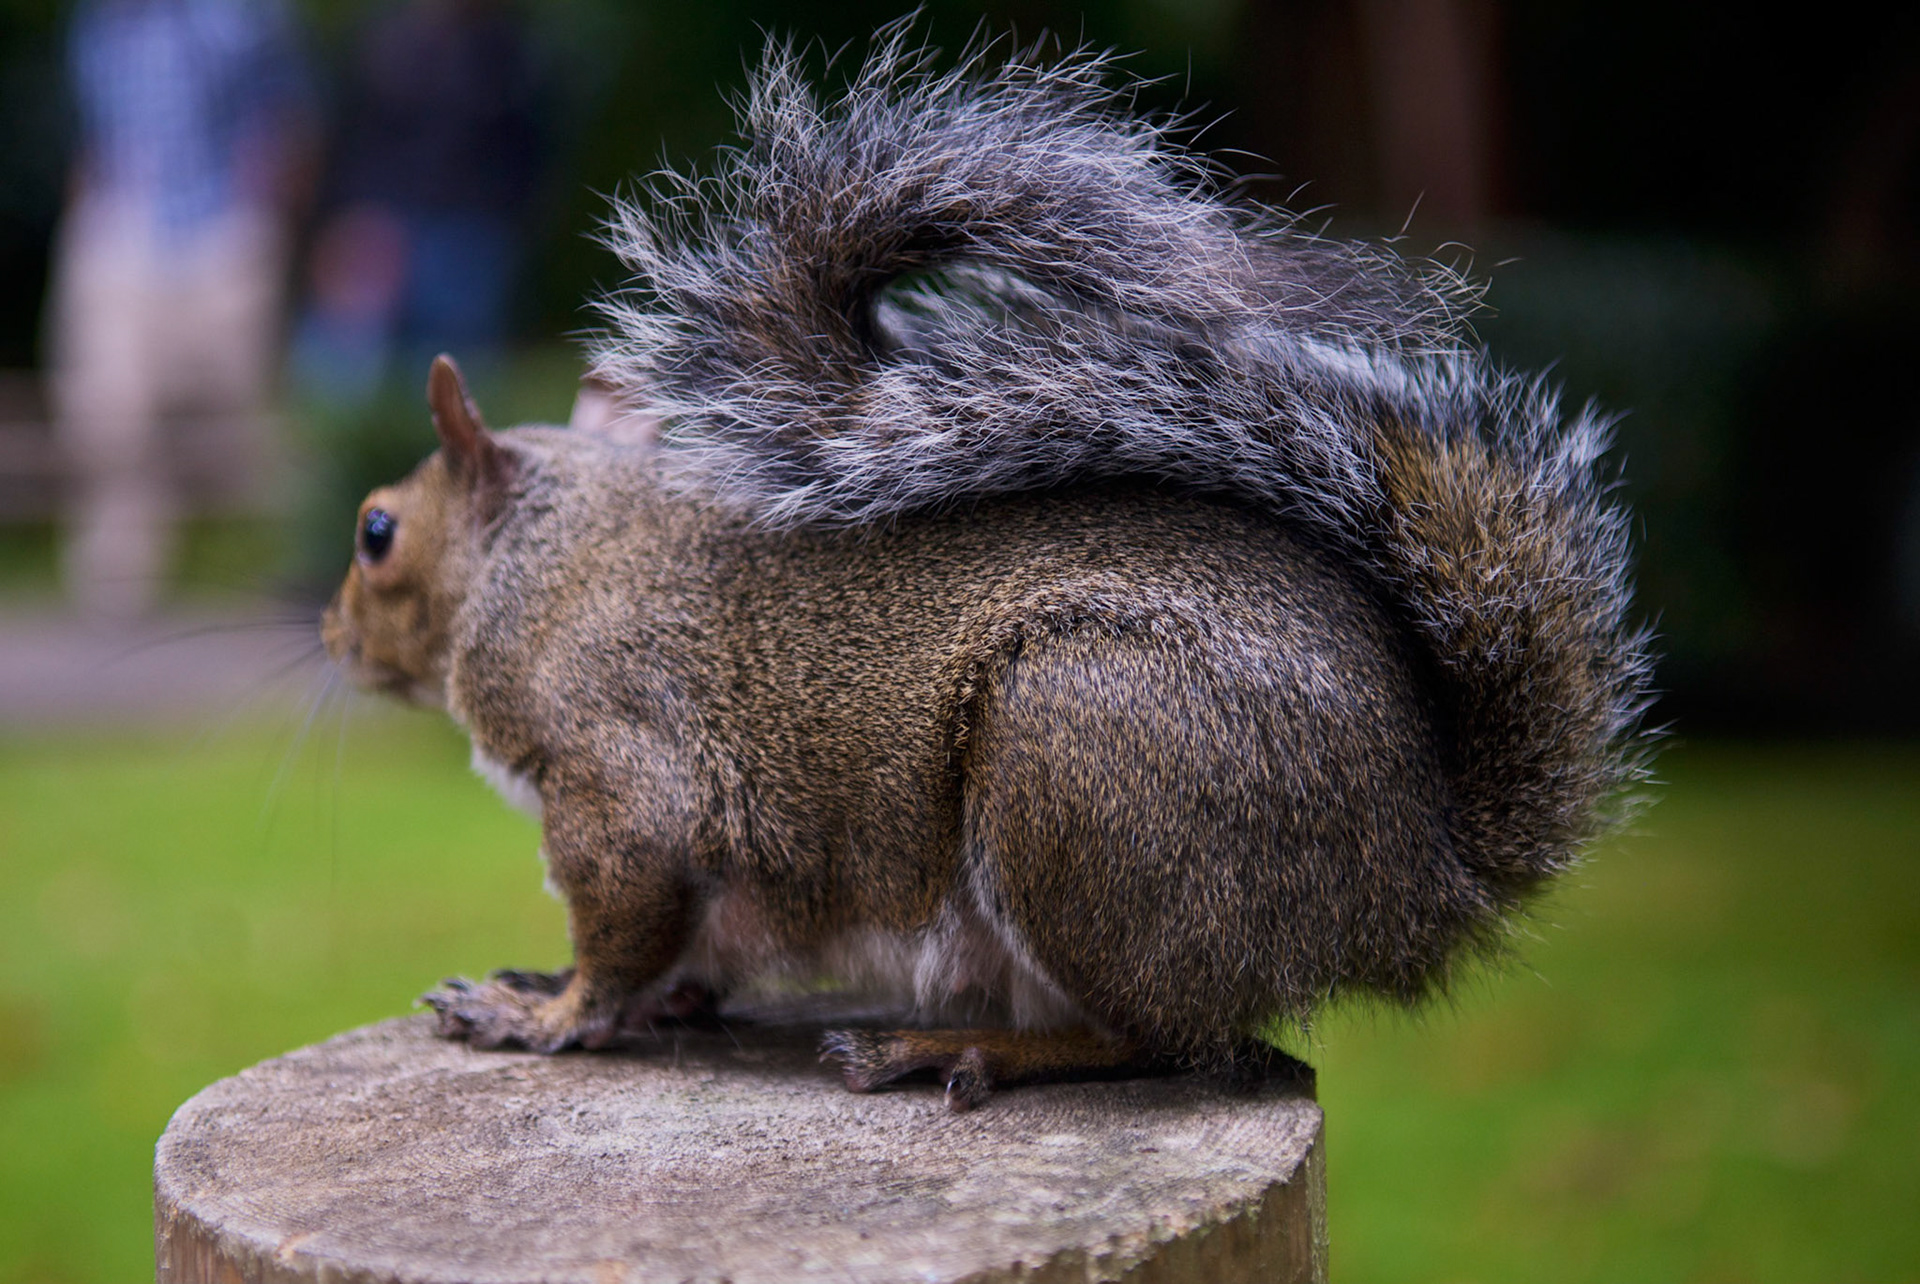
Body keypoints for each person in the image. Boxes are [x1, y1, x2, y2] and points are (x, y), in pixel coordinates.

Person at [46, 0, 311, 619]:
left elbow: (290, 117)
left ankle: (275, 557)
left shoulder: (243, 17)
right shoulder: (95, 25)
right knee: (107, 404)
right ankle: (116, 577)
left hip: (224, 226)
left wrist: (267, 216)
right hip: (125, 228)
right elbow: (94, 132)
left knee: (240, 407)